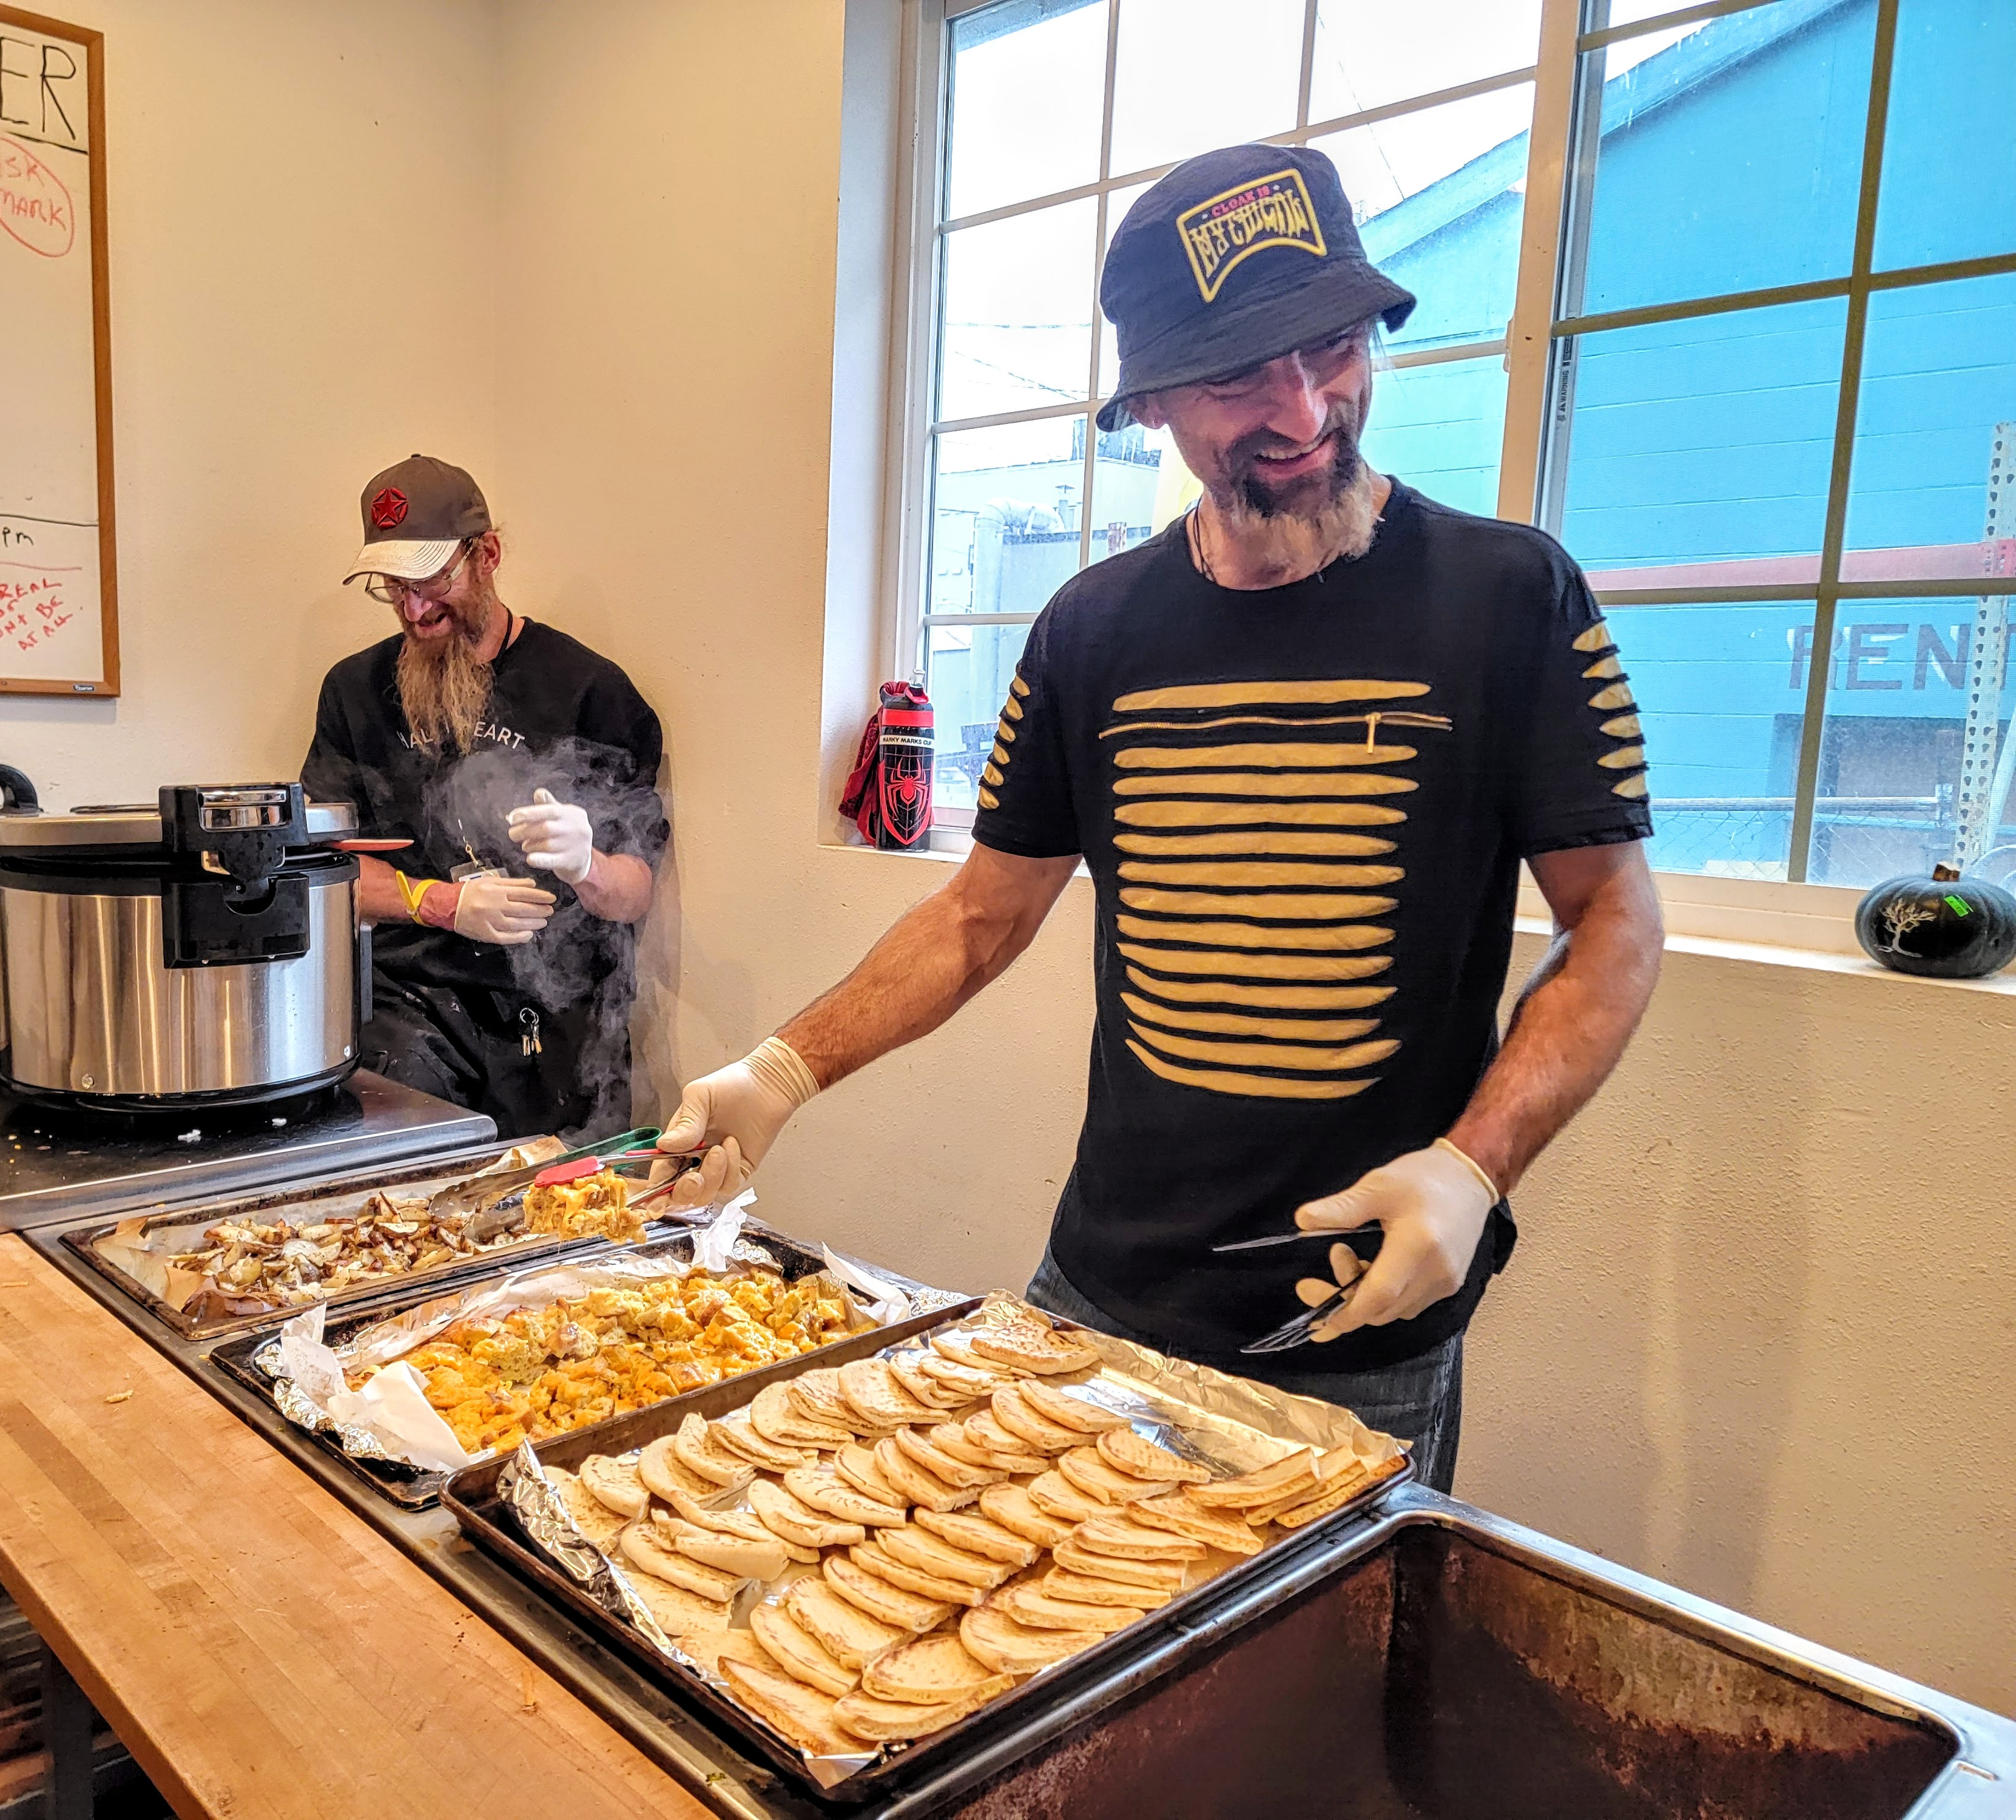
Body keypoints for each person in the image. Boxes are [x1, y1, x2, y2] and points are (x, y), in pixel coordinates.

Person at [654, 146, 1665, 1491]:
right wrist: (780, 1070)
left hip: (1357, 1324)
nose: (1302, 409)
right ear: (1147, 406)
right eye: (1239, 376)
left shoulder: (1509, 597)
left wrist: (1472, 1173)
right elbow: (977, 916)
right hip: (1098, 1287)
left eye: (1328, 347)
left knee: (1301, 1697)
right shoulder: (1092, 629)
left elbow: (1612, 915)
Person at [303, 454, 667, 1141]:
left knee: (569, 1221)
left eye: (433, 580)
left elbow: (635, 892)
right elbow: (325, 878)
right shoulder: (355, 692)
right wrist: (440, 904)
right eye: (394, 588)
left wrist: (585, 863)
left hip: (561, 1022)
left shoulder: (587, 689)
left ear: (487, 554)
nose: (414, 609)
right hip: (409, 1012)